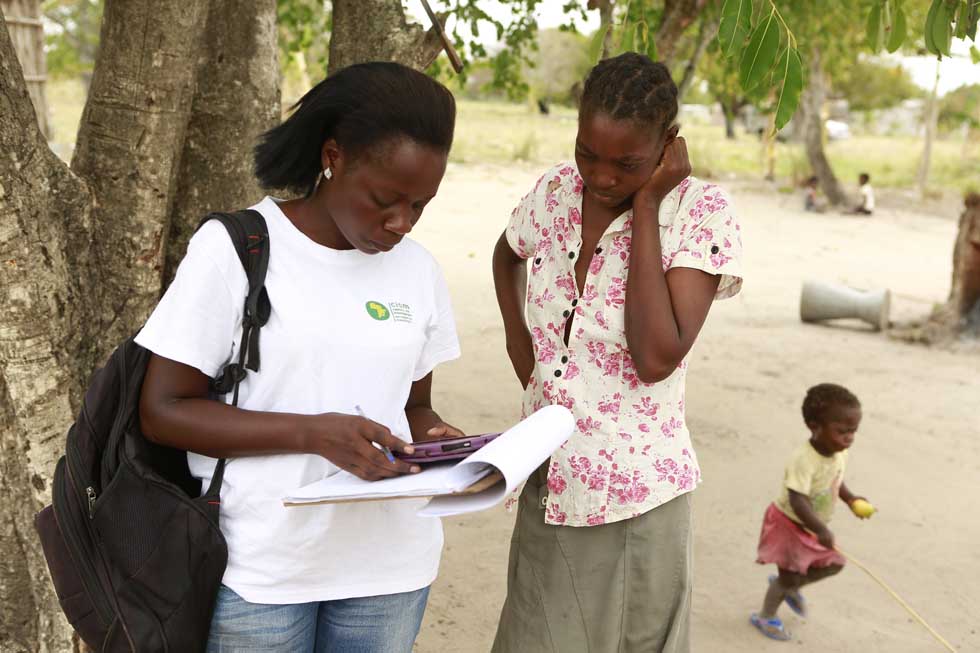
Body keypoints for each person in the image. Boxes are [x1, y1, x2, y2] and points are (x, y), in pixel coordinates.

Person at [136, 62, 462, 652]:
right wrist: (315, 434)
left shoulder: (418, 271)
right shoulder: (237, 250)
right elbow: (163, 410)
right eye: (386, 199)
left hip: (392, 569)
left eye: (421, 205)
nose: (401, 223)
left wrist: (445, 443)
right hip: (263, 569)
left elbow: (414, 404)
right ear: (333, 156)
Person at [490, 52, 743, 653]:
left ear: (668, 147)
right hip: (549, 471)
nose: (600, 177)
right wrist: (520, 345)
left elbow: (657, 356)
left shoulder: (700, 214)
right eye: (587, 153)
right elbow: (507, 255)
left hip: (636, 495)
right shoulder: (556, 192)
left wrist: (648, 208)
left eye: (626, 163)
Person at [750, 383, 873, 641]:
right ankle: (766, 615)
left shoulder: (839, 453)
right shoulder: (804, 459)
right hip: (789, 524)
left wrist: (851, 500)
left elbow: (834, 481)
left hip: (811, 526)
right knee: (787, 576)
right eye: (842, 431)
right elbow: (797, 499)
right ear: (815, 426)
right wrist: (820, 528)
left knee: (833, 564)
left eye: (853, 431)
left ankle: (791, 586)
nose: (849, 437)